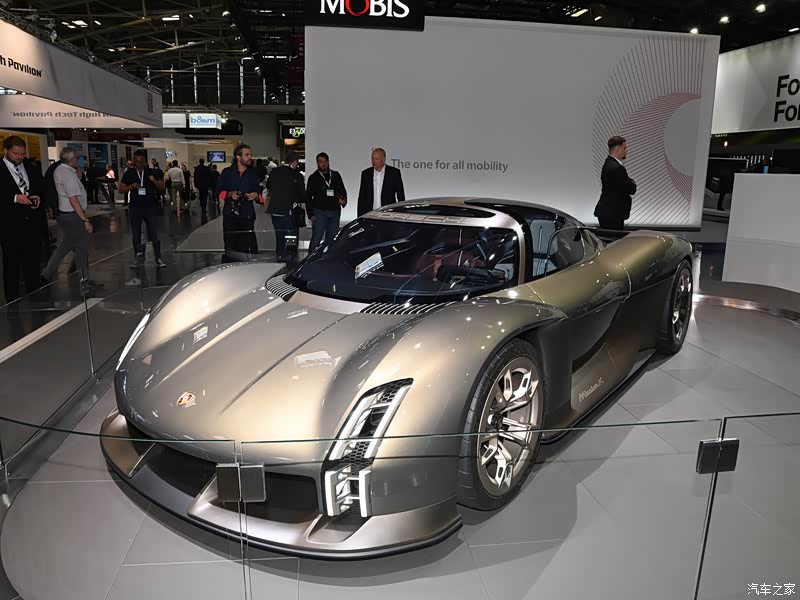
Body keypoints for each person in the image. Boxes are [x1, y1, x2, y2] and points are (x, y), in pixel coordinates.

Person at [40, 147, 96, 288]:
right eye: (76, 158)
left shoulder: (62, 170)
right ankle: (83, 279)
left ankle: (46, 274)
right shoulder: (67, 174)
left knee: (66, 246)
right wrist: (85, 220)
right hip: (73, 215)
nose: (78, 160)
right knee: (81, 248)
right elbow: (73, 199)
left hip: (66, 215)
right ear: (72, 160)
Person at [0, 136, 44, 302]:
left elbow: (40, 187)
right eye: (16, 153)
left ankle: (35, 294)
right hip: (9, 226)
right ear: (6, 151)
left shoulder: (29, 166)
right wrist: (14, 198)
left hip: (31, 224)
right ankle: (12, 299)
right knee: (11, 265)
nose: (19, 157)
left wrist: (38, 197)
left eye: (22, 154)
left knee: (33, 262)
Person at [118, 149, 167, 268]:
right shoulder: (129, 173)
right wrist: (131, 186)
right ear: (134, 161)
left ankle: (158, 257)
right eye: (137, 161)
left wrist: (153, 180)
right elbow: (121, 189)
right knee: (136, 233)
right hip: (135, 207)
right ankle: (138, 257)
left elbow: (162, 187)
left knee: (153, 232)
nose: (139, 164)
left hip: (150, 206)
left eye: (141, 161)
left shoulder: (151, 172)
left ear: (145, 161)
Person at [216, 144, 261, 260]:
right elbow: (217, 193)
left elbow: (260, 196)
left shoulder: (252, 174)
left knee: (245, 247)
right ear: (238, 157)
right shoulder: (227, 173)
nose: (250, 157)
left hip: (247, 215)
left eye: (250, 154)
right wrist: (230, 194)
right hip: (230, 215)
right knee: (230, 246)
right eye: (247, 155)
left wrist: (256, 195)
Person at [266, 151, 305, 262]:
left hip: (275, 211)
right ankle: (290, 262)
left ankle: (280, 259)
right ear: (294, 162)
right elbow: (302, 195)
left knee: (279, 238)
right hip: (289, 213)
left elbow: (269, 186)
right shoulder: (296, 175)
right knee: (291, 239)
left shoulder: (274, 172)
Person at [593, 135, 637, 231]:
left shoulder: (608, 163)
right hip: (613, 213)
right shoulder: (617, 168)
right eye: (624, 148)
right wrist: (631, 182)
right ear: (618, 149)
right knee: (614, 239)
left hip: (608, 212)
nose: (626, 151)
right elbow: (631, 188)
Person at [306, 152, 346, 252]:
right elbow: (308, 197)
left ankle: (328, 260)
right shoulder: (313, 177)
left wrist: (343, 200)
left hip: (334, 212)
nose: (323, 164)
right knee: (316, 238)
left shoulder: (335, 175)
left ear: (328, 162)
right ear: (317, 163)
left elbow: (342, 191)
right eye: (321, 162)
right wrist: (310, 214)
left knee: (332, 240)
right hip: (319, 212)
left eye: (325, 161)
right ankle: (311, 259)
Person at [357, 148, 405, 216]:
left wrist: (401, 213)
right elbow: (361, 197)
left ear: (384, 159)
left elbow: (400, 196)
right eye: (372, 158)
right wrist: (360, 216)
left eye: (376, 159)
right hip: (369, 214)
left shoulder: (394, 173)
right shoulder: (366, 174)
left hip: (388, 214)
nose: (373, 161)